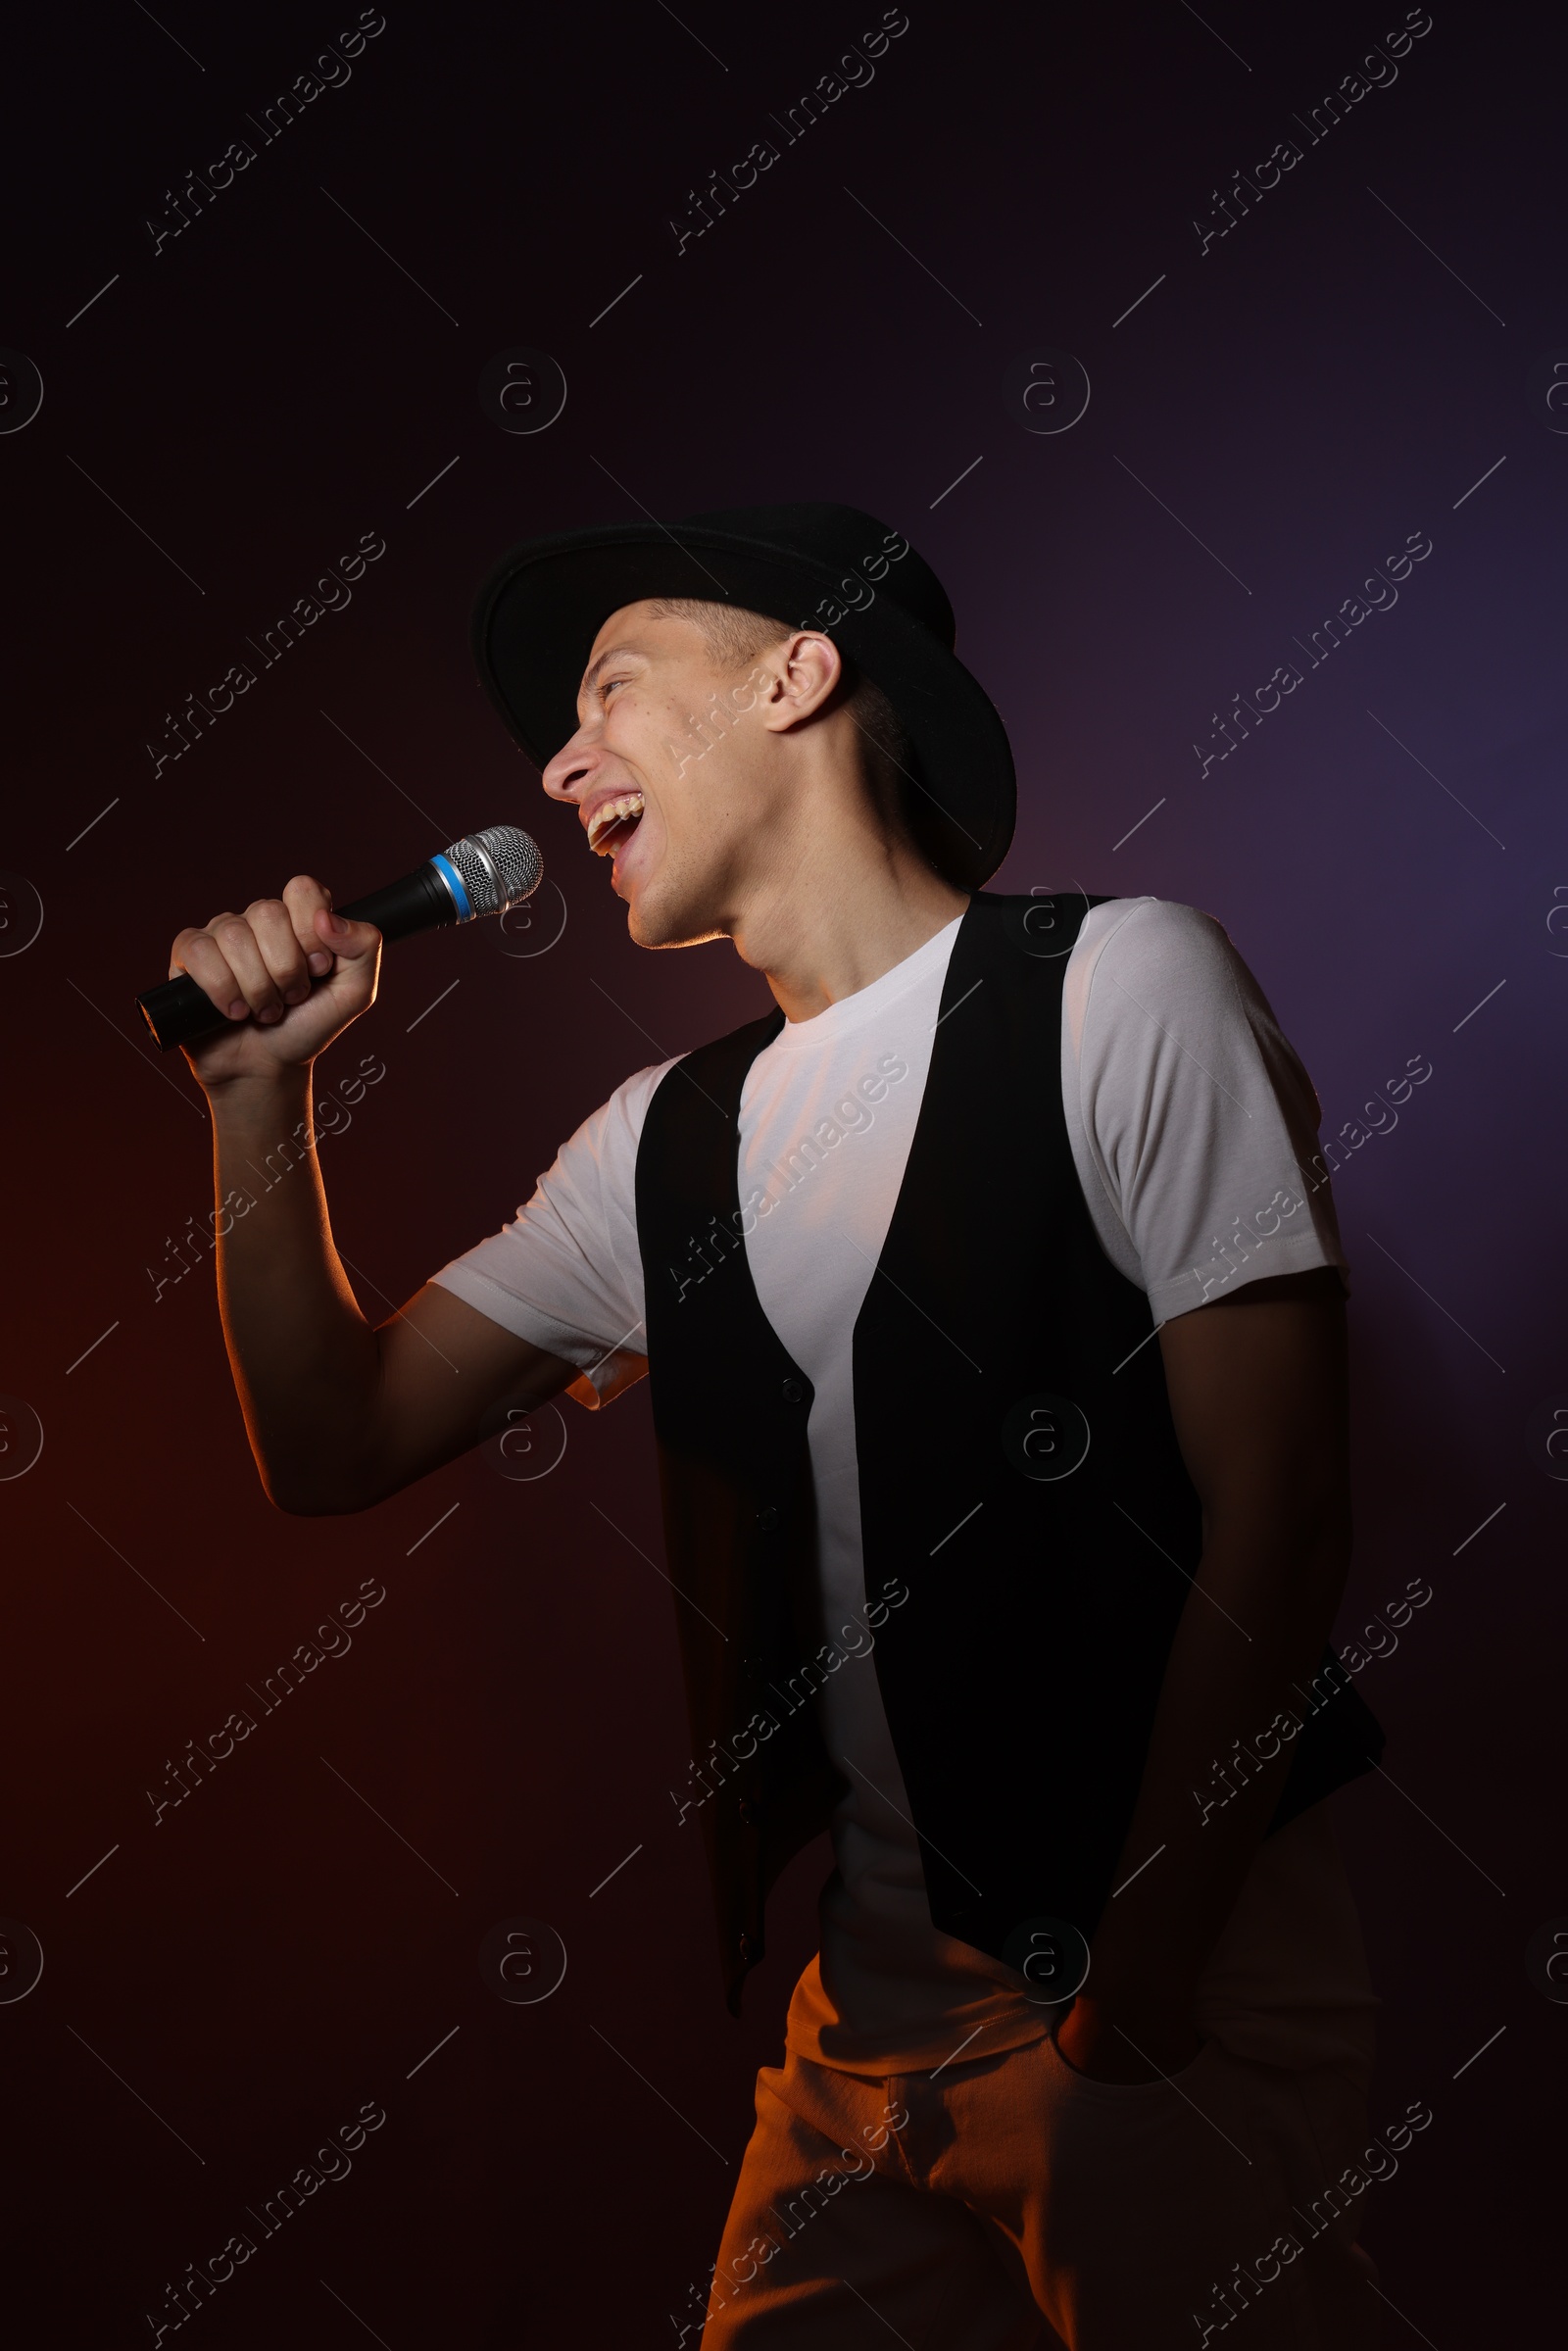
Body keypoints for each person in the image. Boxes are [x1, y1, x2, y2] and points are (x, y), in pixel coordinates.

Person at [169, 504, 1386, 2348]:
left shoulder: (1121, 985)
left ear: (799, 673)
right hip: (861, 2040)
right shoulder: (657, 1140)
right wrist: (260, 1099)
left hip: (1163, 1998)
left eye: (611, 688)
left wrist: (1133, 2001)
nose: (563, 765)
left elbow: (1279, 1512)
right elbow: (332, 1447)